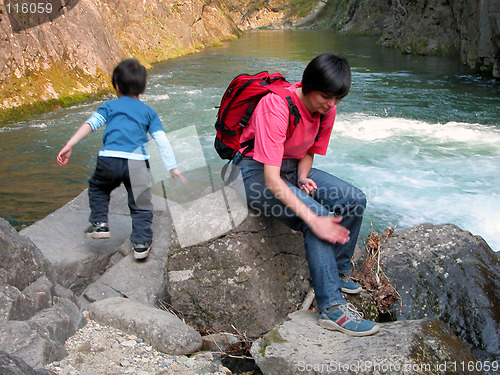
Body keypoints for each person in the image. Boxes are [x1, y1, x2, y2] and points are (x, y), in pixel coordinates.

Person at [233, 53, 379, 336]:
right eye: (326, 96)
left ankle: (336, 272)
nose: (332, 104)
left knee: (354, 200)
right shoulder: (275, 105)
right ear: (308, 86)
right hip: (256, 172)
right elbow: (271, 179)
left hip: (292, 167)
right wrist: (313, 219)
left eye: (337, 99)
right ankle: (332, 309)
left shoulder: (327, 109)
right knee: (318, 218)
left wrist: (302, 176)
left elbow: (309, 149)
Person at [57, 58, 187, 260]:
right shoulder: (149, 112)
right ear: (142, 88)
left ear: (116, 86)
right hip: (137, 162)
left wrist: (69, 144)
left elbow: (90, 124)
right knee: (140, 203)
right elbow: (162, 141)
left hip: (109, 159)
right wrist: (173, 167)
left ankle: (99, 223)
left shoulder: (110, 106)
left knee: (99, 188)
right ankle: (141, 243)